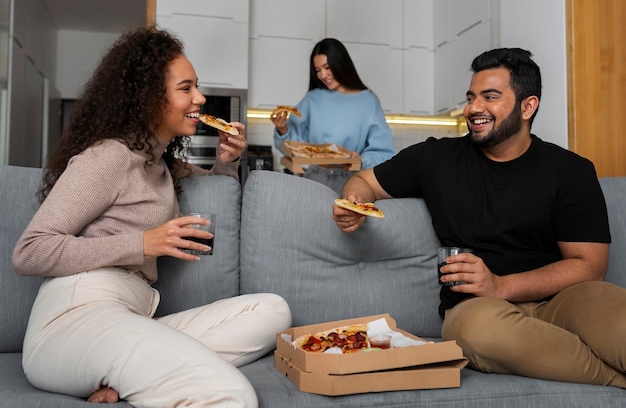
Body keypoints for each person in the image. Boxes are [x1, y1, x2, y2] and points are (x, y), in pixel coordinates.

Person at [12, 26, 292, 407]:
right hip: (74, 318)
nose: (200, 97)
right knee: (232, 395)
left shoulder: (161, 165)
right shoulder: (109, 156)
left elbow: (215, 188)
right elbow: (29, 251)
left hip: (133, 315)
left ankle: (127, 376)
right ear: (148, 99)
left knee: (273, 311)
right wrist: (142, 243)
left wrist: (226, 162)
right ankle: (128, 366)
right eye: (186, 88)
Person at [333, 47, 626, 388]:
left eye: (490, 97)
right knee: (476, 332)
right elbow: (363, 181)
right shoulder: (436, 158)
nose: (473, 108)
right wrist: (355, 203)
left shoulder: (571, 171)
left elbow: (589, 264)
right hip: (479, 308)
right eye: (471, 97)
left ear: (527, 106)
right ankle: (615, 382)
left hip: (562, 299)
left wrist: (502, 284)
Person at [271, 37, 395, 195]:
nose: (323, 75)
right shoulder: (312, 99)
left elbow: (384, 152)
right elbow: (296, 147)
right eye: (317, 70)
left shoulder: (368, 101)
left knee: (345, 220)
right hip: (315, 178)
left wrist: (360, 161)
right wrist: (283, 129)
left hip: (354, 181)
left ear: (341, 64)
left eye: (327, 67)